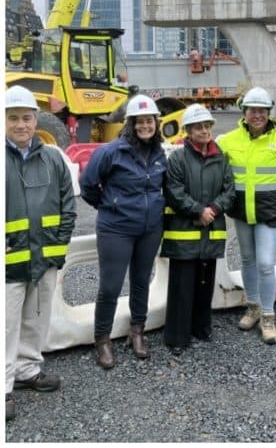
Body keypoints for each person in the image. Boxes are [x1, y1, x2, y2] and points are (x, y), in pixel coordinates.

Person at [80, 94, 168, 368]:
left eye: (149, 120)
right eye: (139, 121)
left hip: (150, 228)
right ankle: (102, 339)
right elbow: (87, 186)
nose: (145, 126)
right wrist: (111, 206)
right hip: (116, 229)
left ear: (156, 123)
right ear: (130, 123)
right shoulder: (110, 152)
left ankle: (137, 331)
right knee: (110, 287)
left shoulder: (158, 153)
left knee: (141, 280)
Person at [5, 86, 76, 419]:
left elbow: (68, 206)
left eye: (27, 118)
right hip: (8, 262)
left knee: (35, 318)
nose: (21, 125)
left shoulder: (52, 158)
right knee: (5, 326)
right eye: (14, 118)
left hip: (45, 258)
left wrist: (58, 249)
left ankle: (28, 369)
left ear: (36, 120)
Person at [217, 87, 276, 345]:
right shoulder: (228, 141)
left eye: (262, 110)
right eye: (253, 110)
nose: (257, 115)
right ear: (244, 111)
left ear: (269, 112)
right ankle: (253, 306)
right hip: (242, 213)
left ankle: (268, 315)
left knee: (266, 263)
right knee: (246, 259)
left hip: (270, 213)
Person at [161, 105, 235, 355]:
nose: (204, 131)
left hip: (210, 232)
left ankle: (201, 328)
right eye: (198, 127)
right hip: (185, 235)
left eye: (207, 126)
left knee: (205, 282)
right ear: (188, 131)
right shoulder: (178, 158)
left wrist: (213, 209)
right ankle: (177, 337)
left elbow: (229, 190)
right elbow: (174, 191)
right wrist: (197, 211)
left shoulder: (220, 157)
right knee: (182, 287)